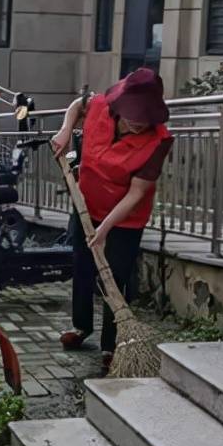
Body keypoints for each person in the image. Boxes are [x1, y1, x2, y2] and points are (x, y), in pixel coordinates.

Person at [50, 68, 171, 372]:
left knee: (115, 277)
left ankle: (111, 343)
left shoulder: (158, 142)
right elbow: (78, 105)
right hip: (86, 203)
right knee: (82, 265)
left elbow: (136, 194)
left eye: (144, 121)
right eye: (132, 119)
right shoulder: (102, 105)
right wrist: (66, 129)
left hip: (125, 219)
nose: (137, 126)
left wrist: (104, 229)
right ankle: (81, 327)